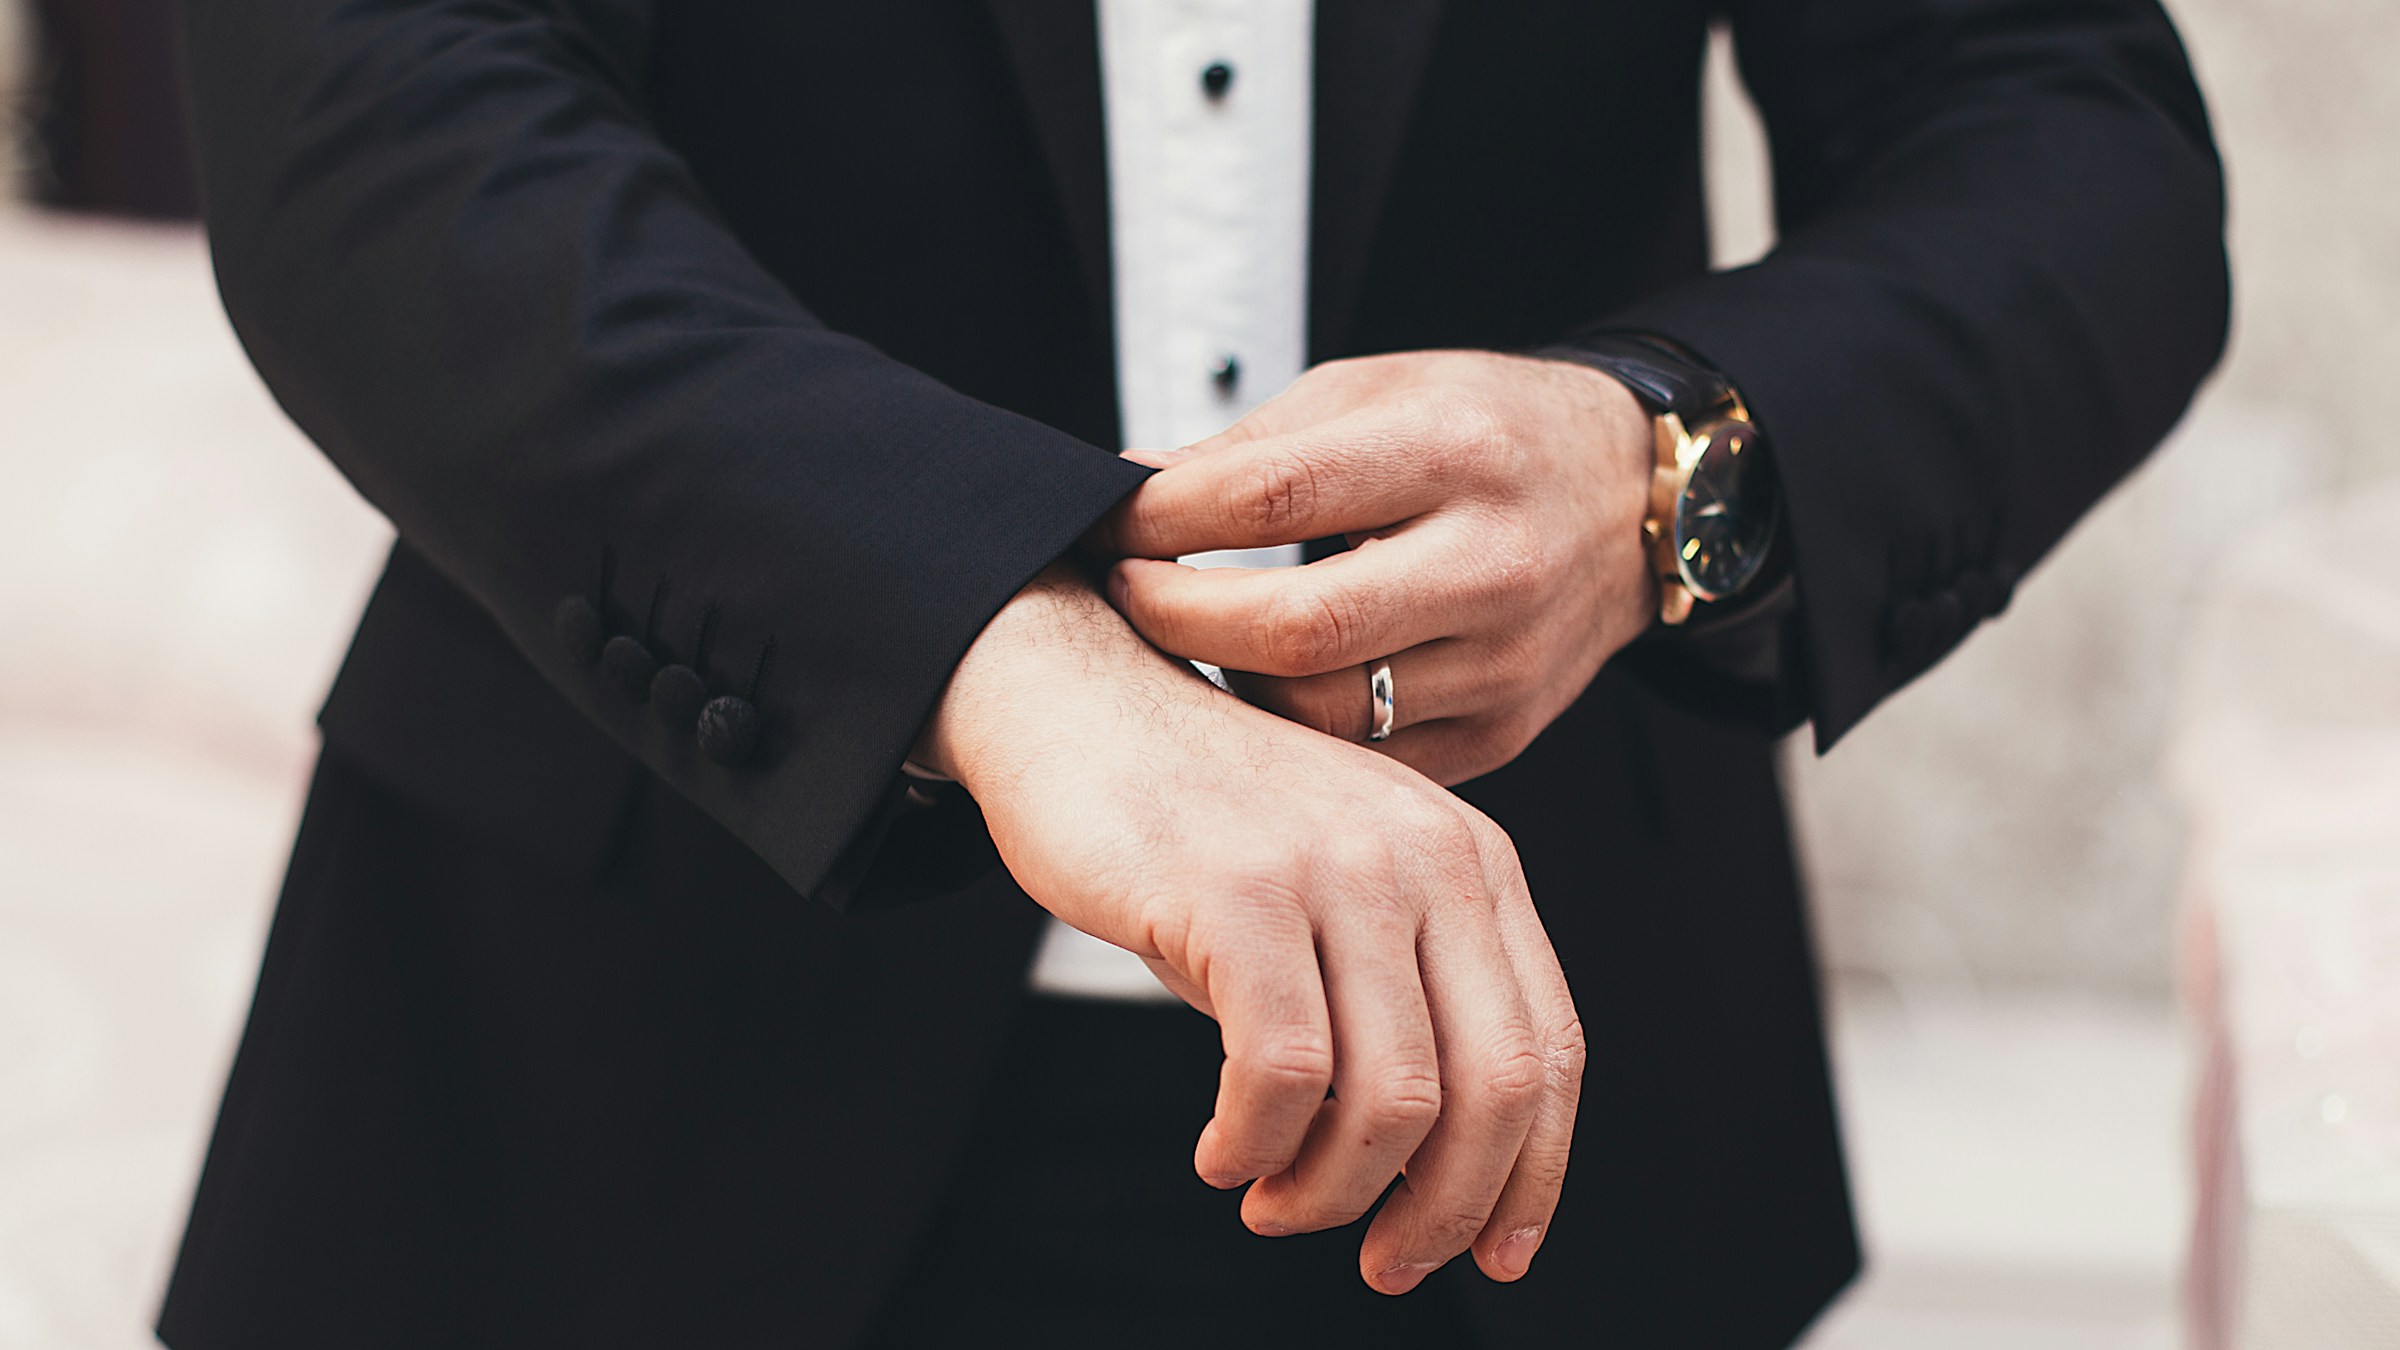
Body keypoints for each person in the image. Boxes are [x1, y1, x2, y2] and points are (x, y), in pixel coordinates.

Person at [160, 1, 2227, 1346]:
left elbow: (2064, 131)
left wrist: (1662, 465)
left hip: (1530, 1102)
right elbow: (379, 109)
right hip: (596, 1073)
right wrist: (979, 624)